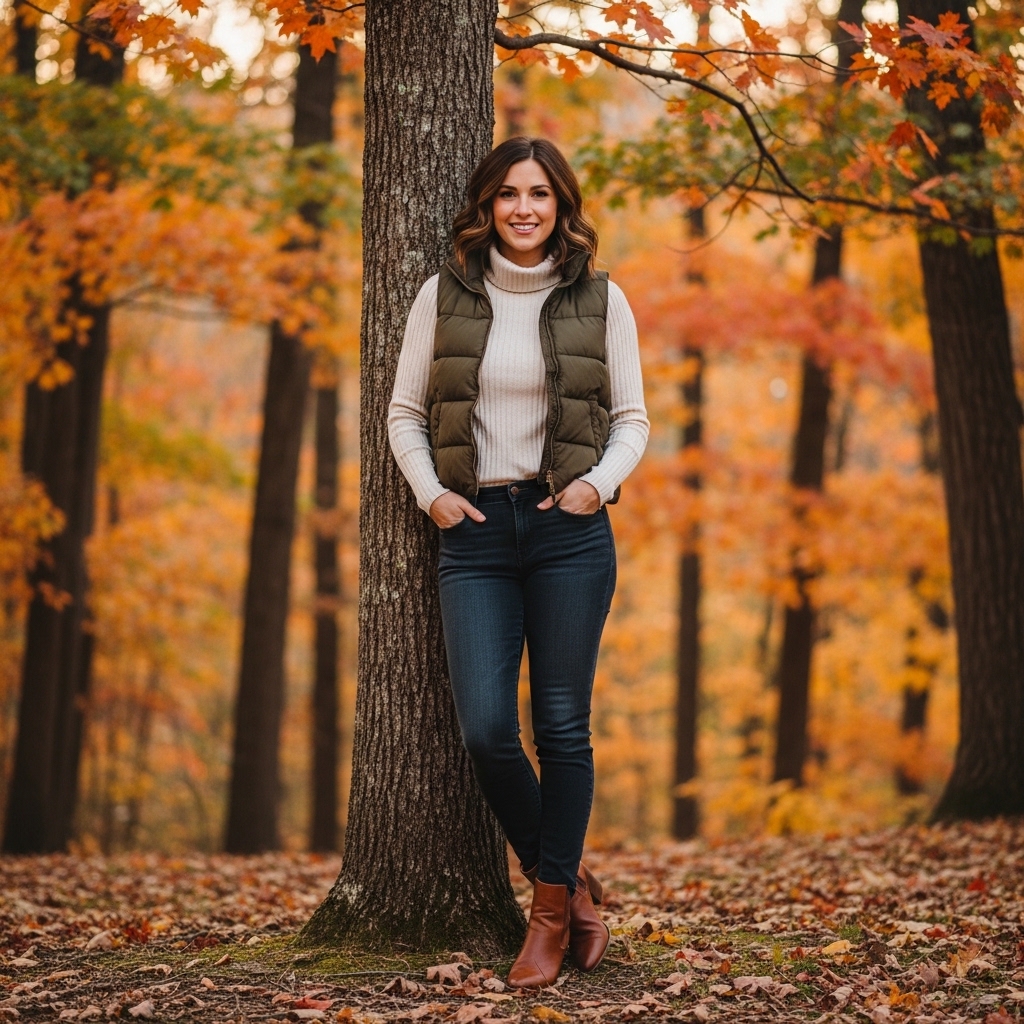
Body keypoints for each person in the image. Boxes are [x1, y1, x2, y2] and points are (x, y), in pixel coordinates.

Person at [388, 137, 649, 986]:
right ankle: (570, 883)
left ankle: (545, 919)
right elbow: (403, 414)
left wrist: (599, 487)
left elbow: (633, 420)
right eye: (508, 195)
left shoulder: (602, 300)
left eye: (540, 194)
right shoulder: (445, 294)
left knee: (564, 727)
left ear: (562, 205)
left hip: (568, 529)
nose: (525, 208)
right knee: (488, 730)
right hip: (474, 533)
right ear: (487, 206)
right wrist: (432, 495)